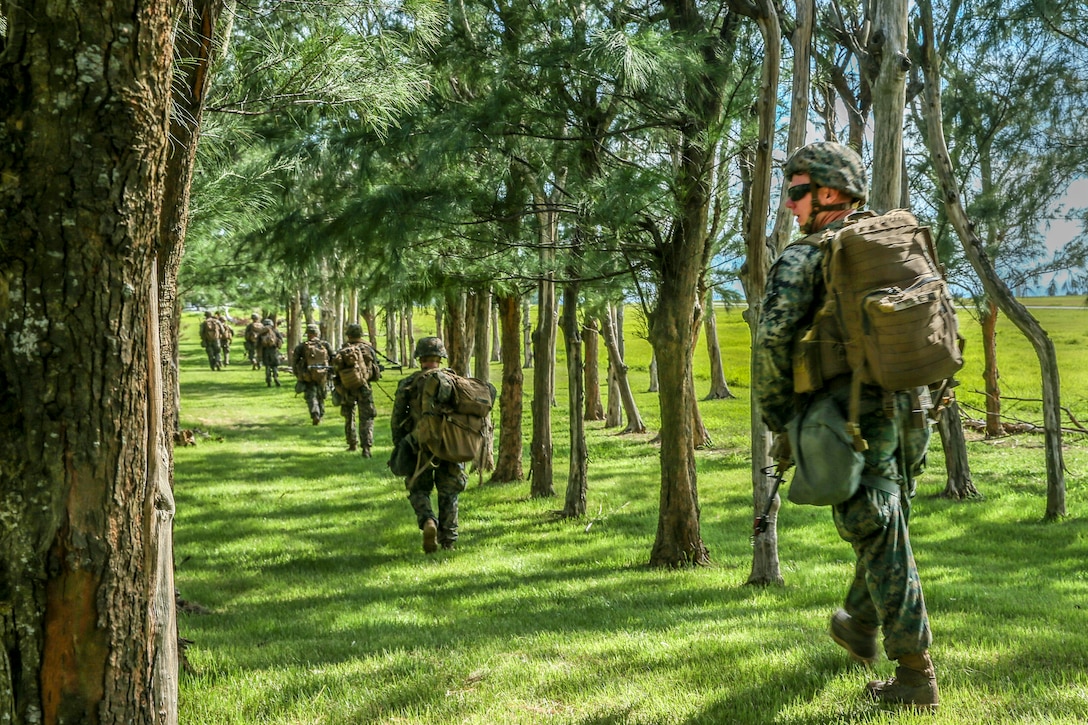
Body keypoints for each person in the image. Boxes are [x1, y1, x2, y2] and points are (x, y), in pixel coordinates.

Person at [753, 141, 939, 709]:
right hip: (913, 411)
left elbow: (771, 341)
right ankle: (858, 619)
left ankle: (915, 677)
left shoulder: (807, 256)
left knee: (879, 537)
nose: (789, 205)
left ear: (829, 193)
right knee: (886, 525)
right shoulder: (891, 244)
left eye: (796, 192)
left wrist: (779, 415)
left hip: (855, 418)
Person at [390, 336, 466, 553]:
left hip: (419, 445)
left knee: (418, 489)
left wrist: (400, 445)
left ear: (420, 358)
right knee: (449, 492)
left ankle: (428, 522)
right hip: (451, 446)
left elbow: (397, 420)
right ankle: (448, 541)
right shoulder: (455, 381)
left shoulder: (408, 383)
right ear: (440, 358)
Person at [332, 323, 381, 457]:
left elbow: (336, 370)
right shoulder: (367, 349)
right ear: (361, 334)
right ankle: (366, 448)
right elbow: (375, 371)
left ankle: (352, 443)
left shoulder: (344, 349)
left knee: (349, 416)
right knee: (366, 417)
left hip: (347, 388)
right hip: (364, 387)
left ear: (348, 335)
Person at [292, 323, 334, 425]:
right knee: (321, 395)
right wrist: (330, 373)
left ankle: (315, 413)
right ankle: (321, 414)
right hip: (323, 375)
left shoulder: (302, 346)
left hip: (308, 375)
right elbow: (333, 358)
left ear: (308, 334)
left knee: (311, 396)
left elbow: (295, 361)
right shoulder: (325, 345)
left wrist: (298, 374)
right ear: (317, 333)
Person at [259, 318, 284, 388]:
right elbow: (281, 340)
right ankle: (276, 377)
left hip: (265, 351)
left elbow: (257, 343)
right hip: (274, 351)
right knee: (274, 366)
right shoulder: (275, 331)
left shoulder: (262, 332)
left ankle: (268, 380)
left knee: (267, 366)